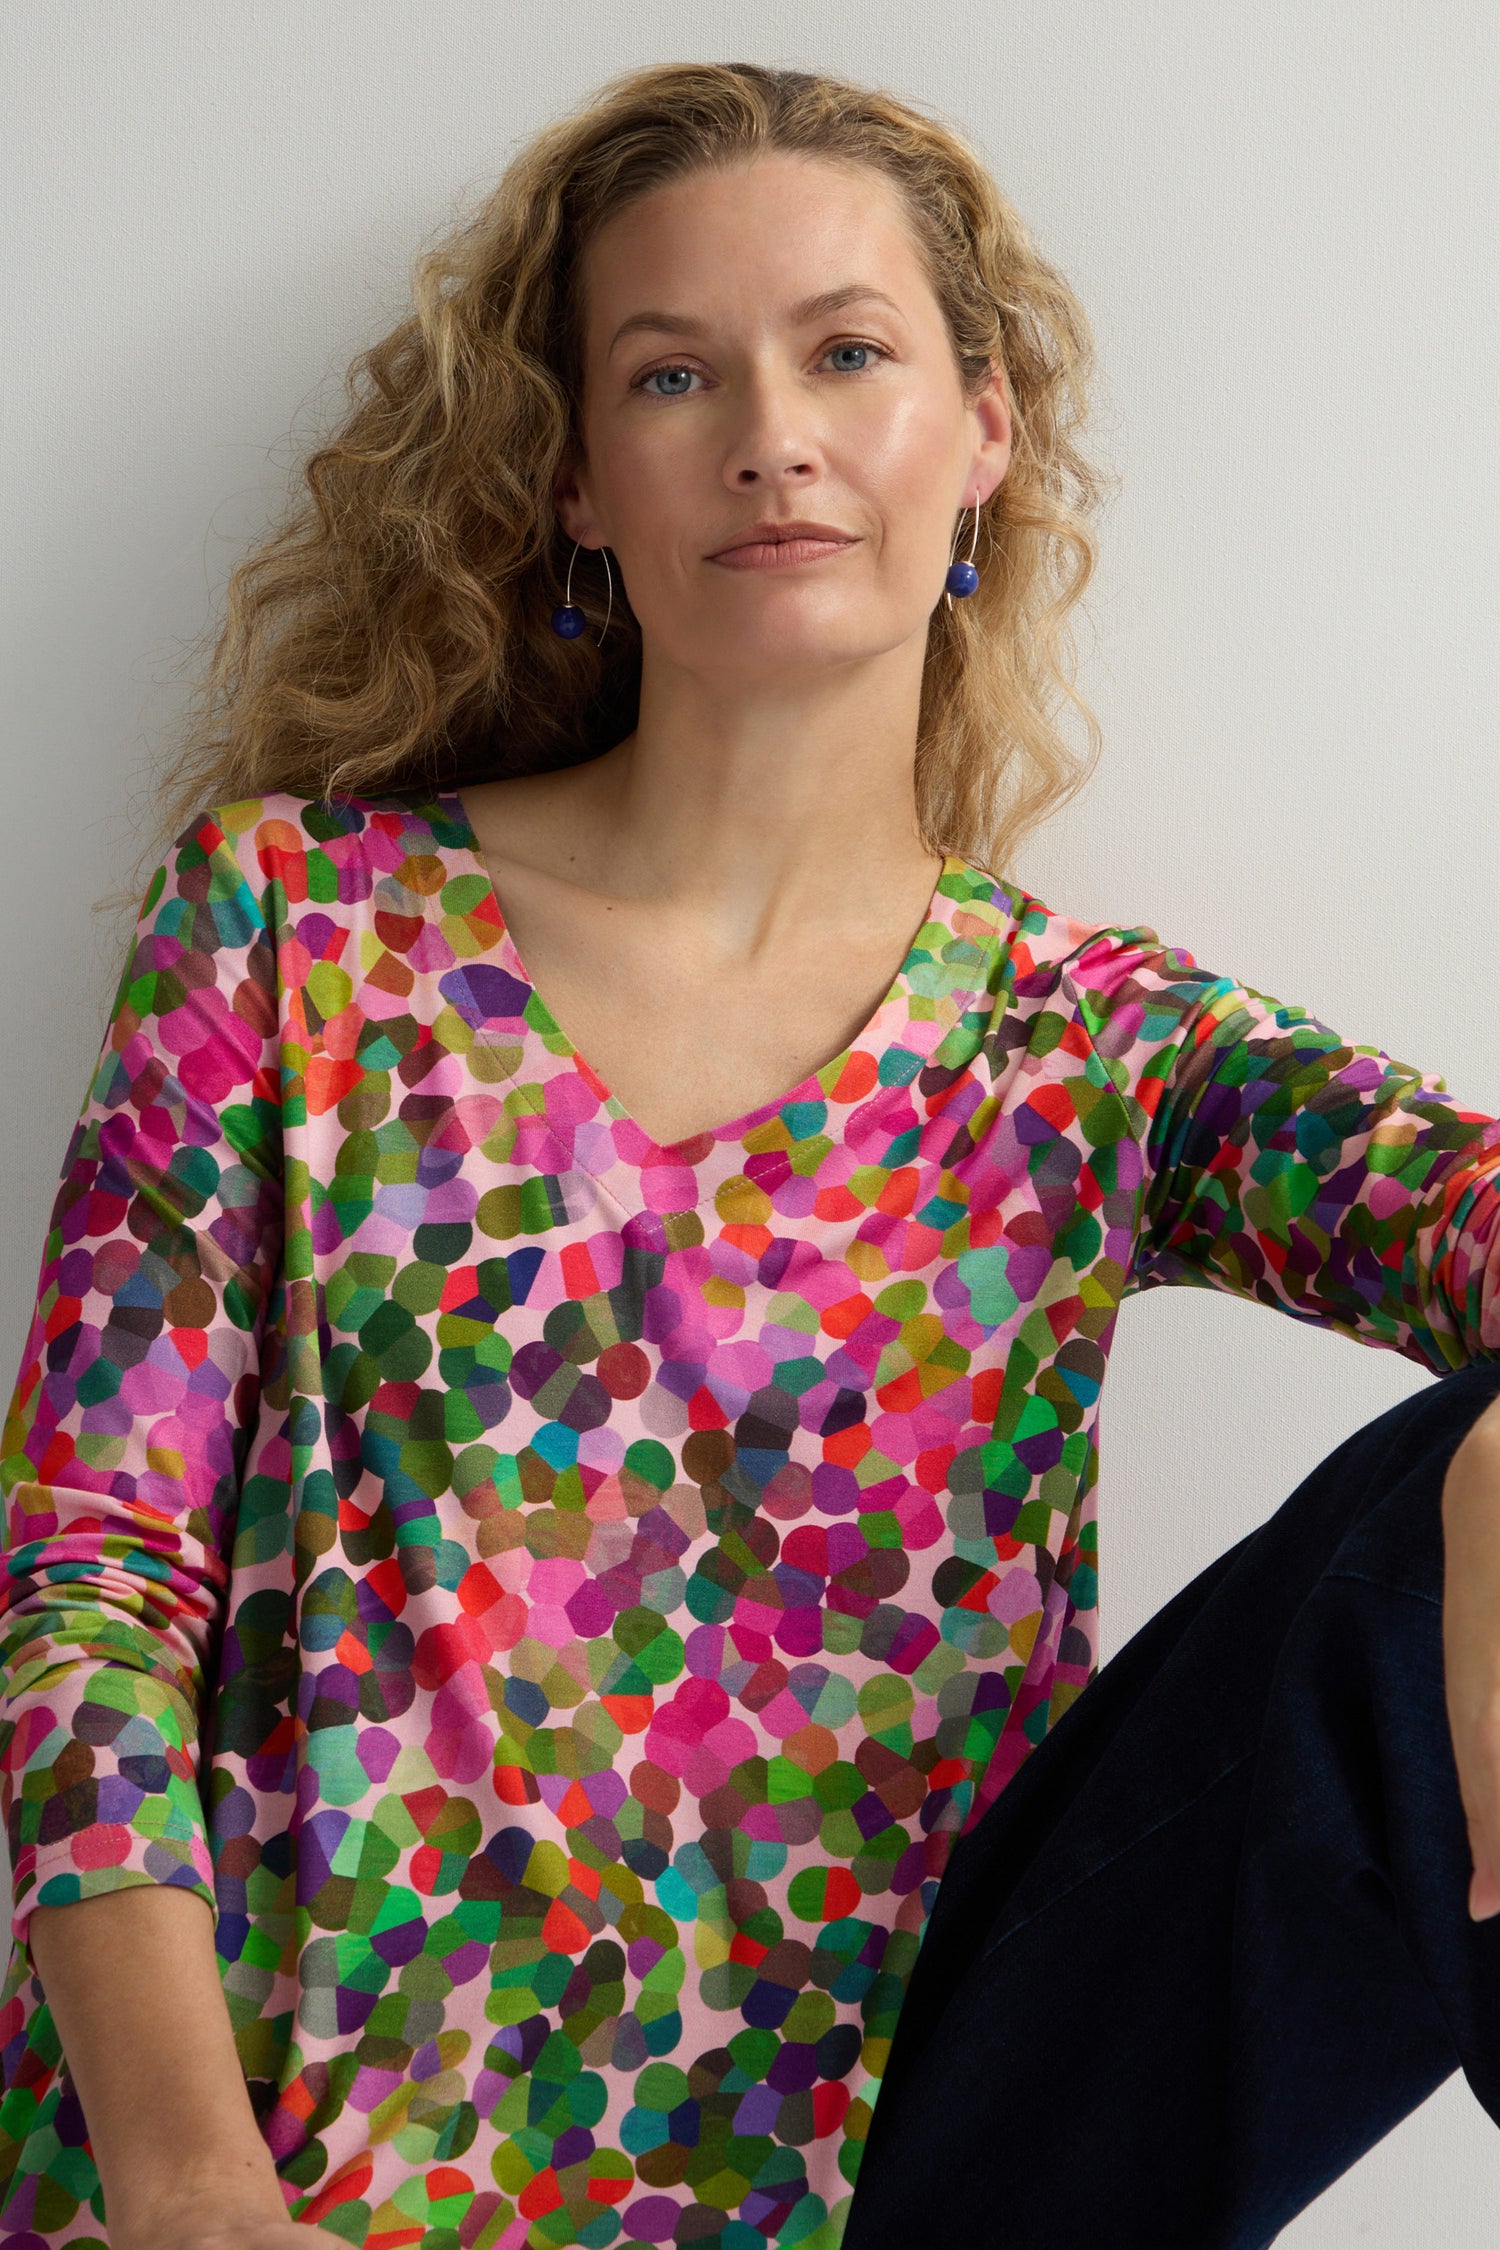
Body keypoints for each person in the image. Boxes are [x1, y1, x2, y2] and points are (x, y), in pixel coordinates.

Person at [2, 56, 1499, 2250]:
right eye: (675, 371)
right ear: (584, 480)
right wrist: (187, 2187)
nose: (772, 433)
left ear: (981, 431)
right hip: (293, 2186)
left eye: (850, 351)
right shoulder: (296, 932)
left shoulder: (1087, 1049)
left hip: (910, 2188)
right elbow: (88, 1586)